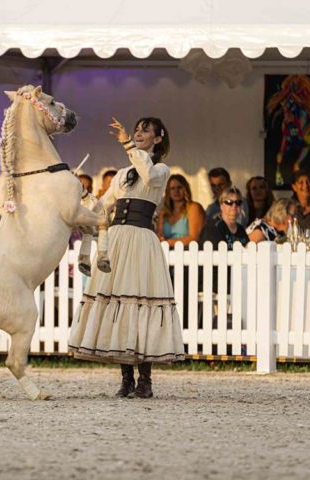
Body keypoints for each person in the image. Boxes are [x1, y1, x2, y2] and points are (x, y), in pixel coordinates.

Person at [69, 116, 185, 399]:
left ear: (158, 138)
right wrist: (79, 192)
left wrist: (128, 144)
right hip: (119, 240)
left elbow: (148, 175)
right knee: (119, 304)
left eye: (146, 130)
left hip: (141, 240)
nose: (139, 133)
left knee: (140, 302)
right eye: (137, 129)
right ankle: (126, 378)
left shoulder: (160, 169)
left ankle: (145, 379)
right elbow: (102, 206)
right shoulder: (122, 174)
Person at [156, 174, 205, 247]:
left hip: (189, 253)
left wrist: (168, 242)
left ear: (185, 189)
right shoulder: (163, 213)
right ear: (168, 191)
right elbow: (159, 237)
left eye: (179, 187)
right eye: (172, 188)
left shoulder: (194, 208)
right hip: (167, 253)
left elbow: (194, 238)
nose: (176, 191)